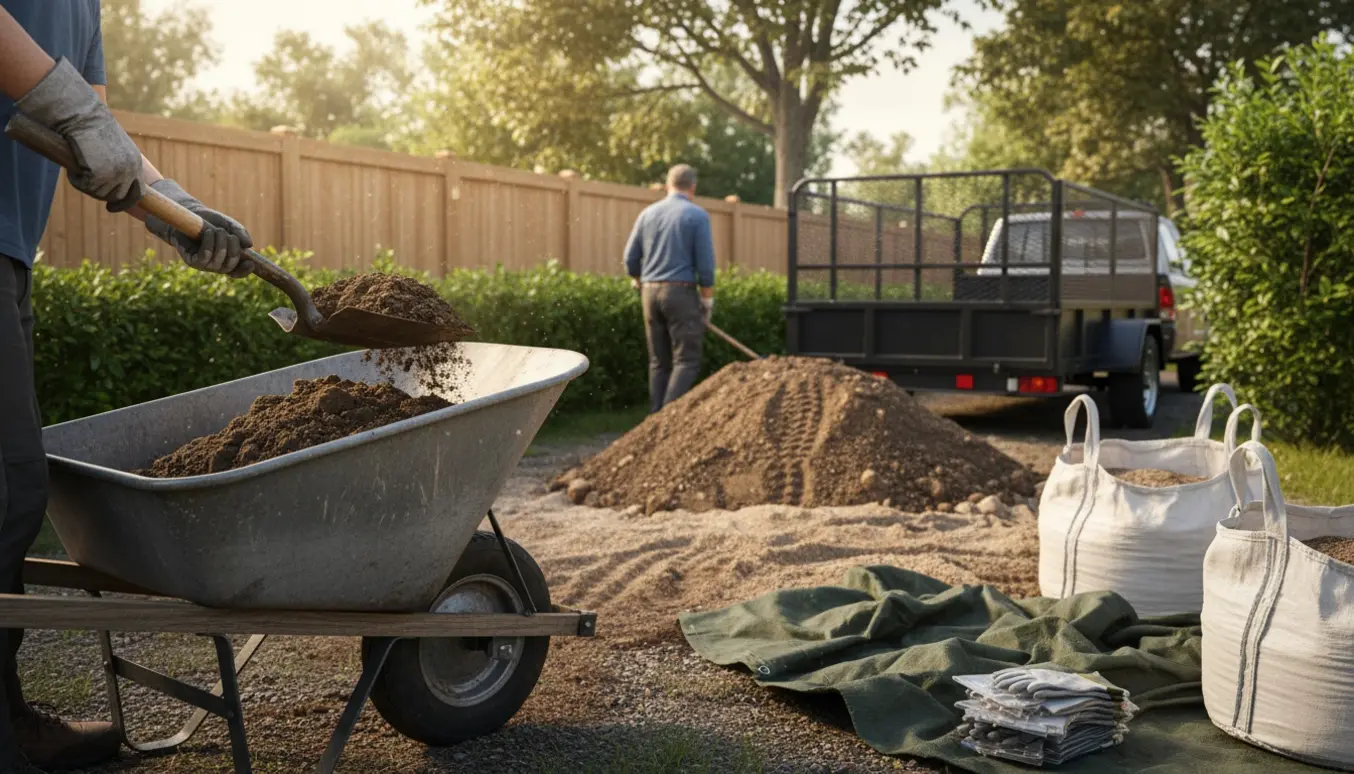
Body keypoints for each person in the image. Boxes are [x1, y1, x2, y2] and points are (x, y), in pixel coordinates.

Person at [0, 4, 255, 771]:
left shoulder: (86, 6)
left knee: (14, 488)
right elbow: (73, 108)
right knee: (5, 487)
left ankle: (4, 715)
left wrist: (172, 205)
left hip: (10, 255)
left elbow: (96, 129)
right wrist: (74, 109)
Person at [623, 164, 716, 413]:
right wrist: (707, 302)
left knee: (659, 362)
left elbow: (630, 260)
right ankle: (666, 420)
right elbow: (705, 268)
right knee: (686, 360)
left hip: (649, 293)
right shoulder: (697, 216)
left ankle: (655, 421)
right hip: (680, 293)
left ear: (668, 185)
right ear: (693, 187)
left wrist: (638, 278)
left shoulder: (647, 214)